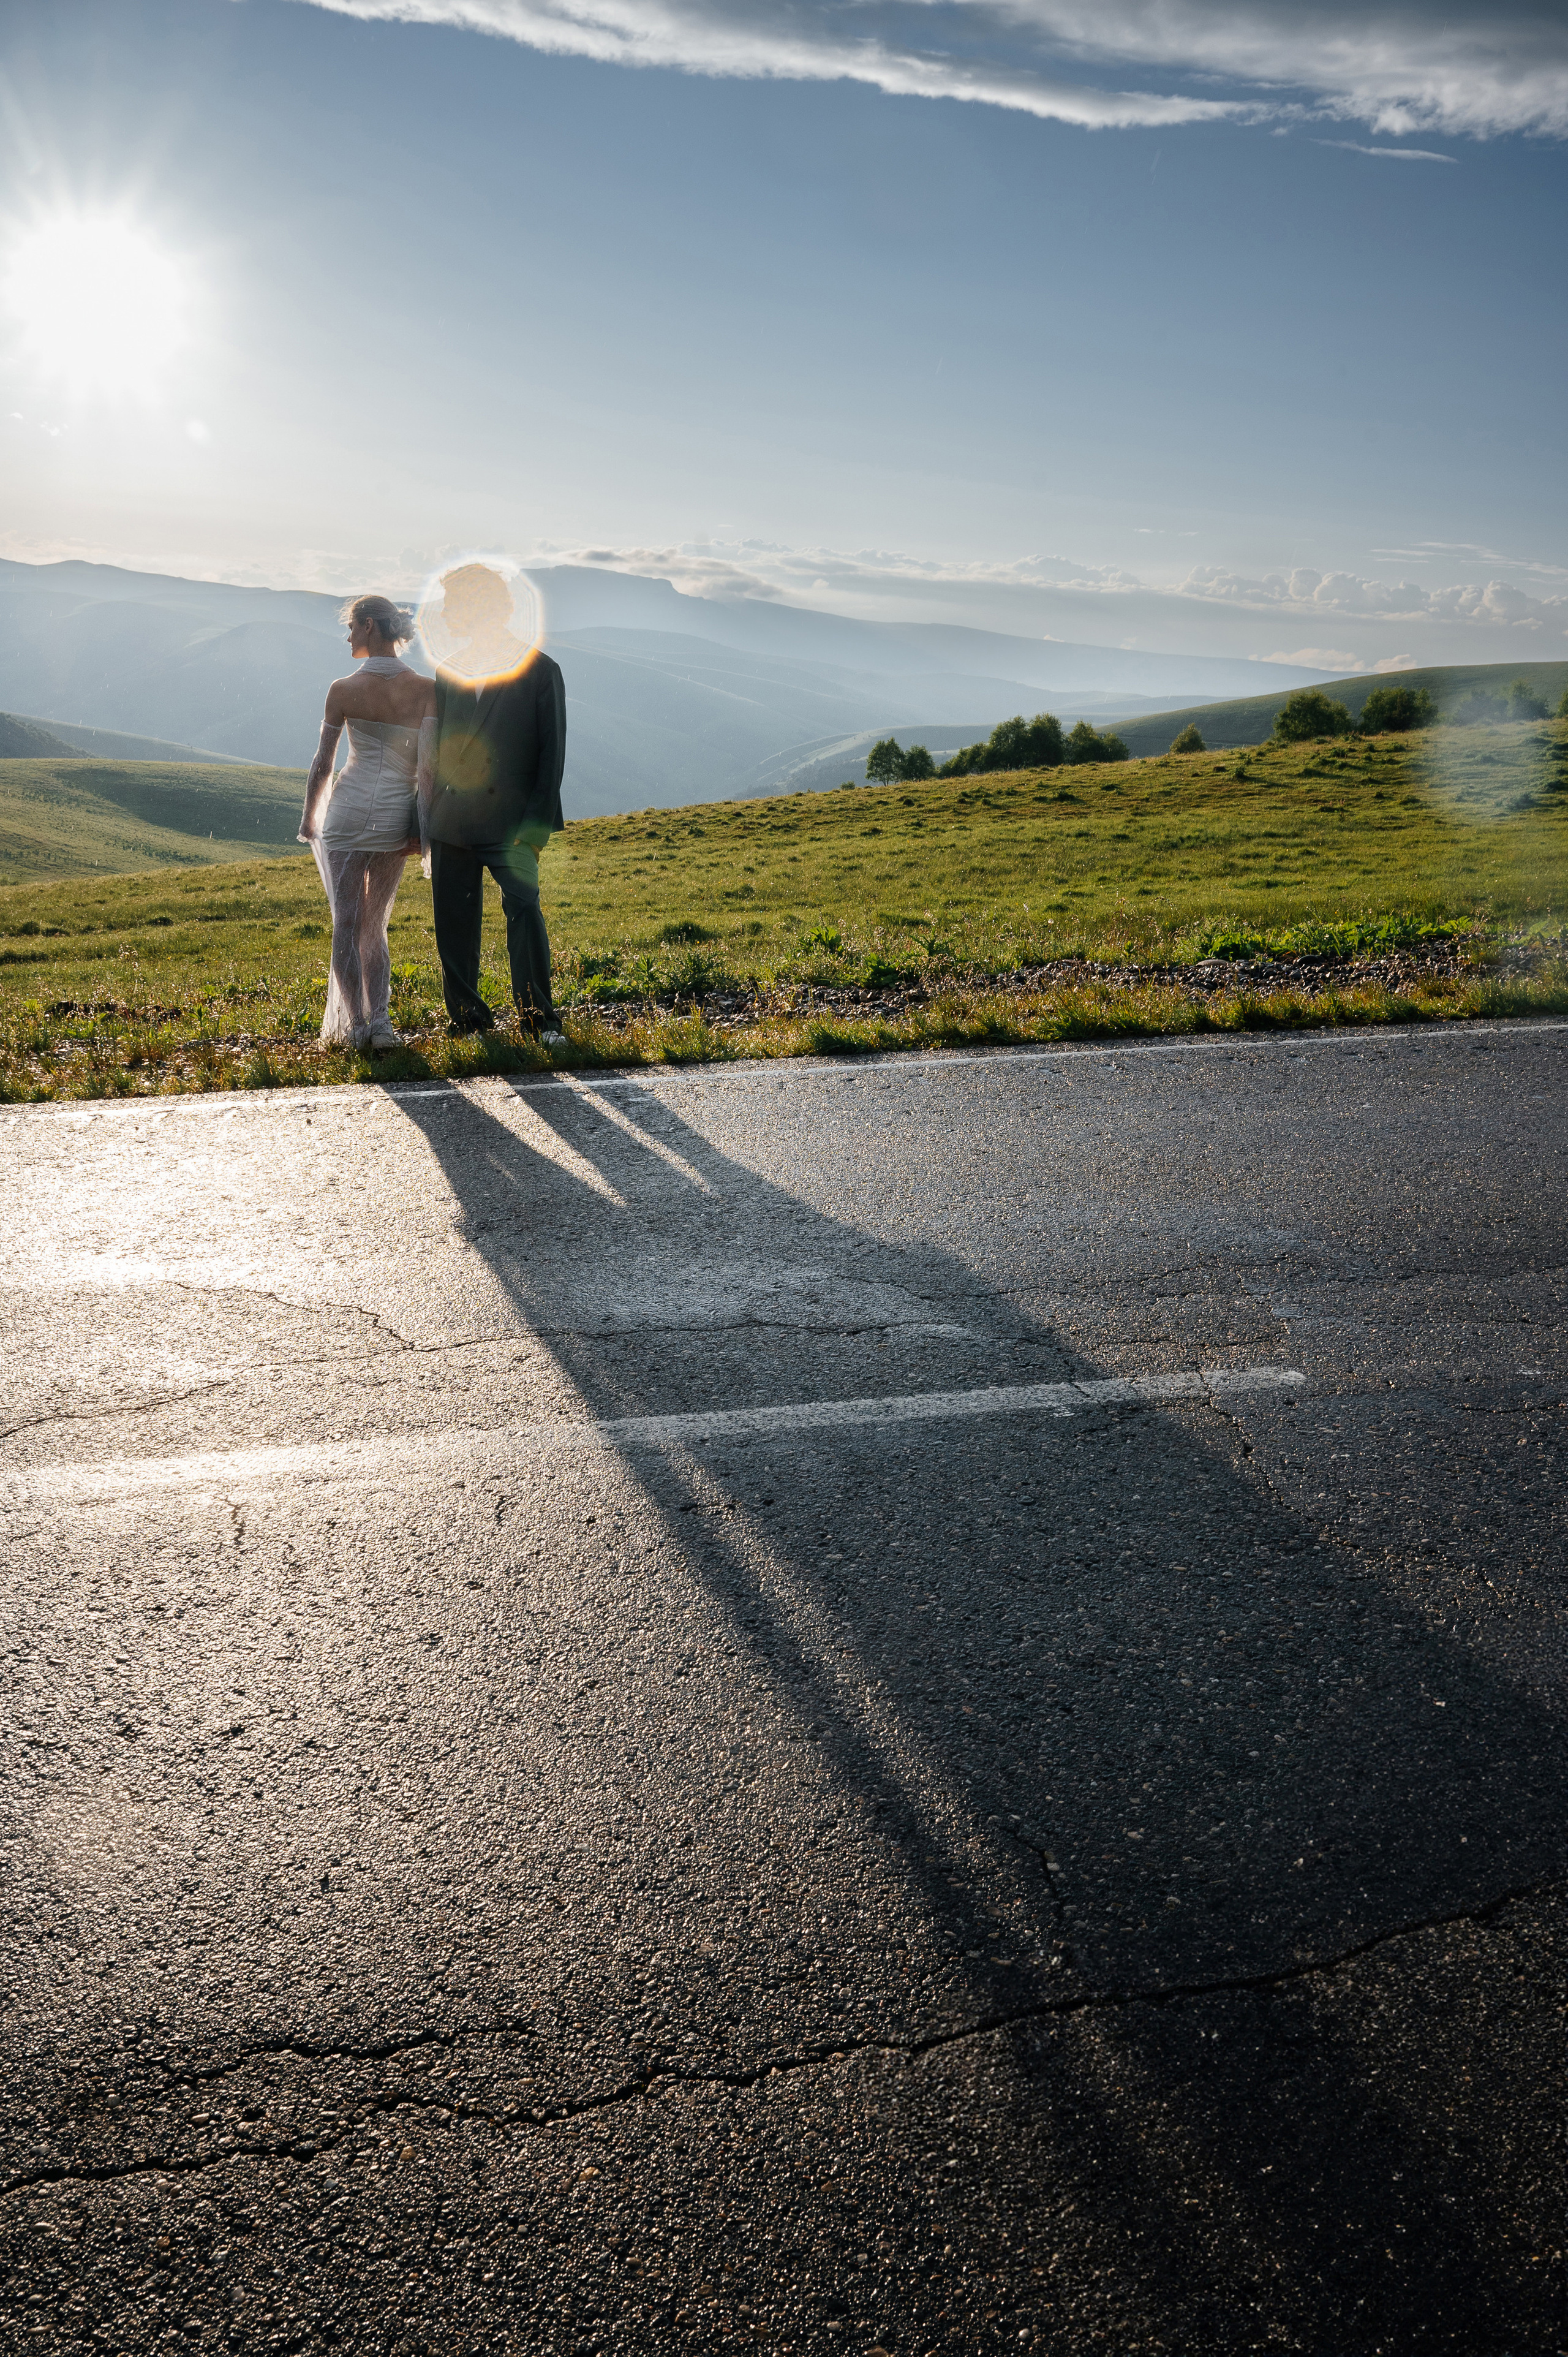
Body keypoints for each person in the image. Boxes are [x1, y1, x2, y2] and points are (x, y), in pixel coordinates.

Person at [420, 562, 567, 1043]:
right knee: (454, 928)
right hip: (453, 823)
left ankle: (537, 1019)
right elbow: (443, 748)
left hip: (513, 827)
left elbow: (553, 755)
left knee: (525, 911)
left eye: (452, 605)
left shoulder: (542, 670)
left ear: (478, 604)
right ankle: (468, 1022)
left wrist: (537, 829)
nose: (445, 614)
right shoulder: (448, 671)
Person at [298, 594, 435, 1050]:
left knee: (346, 922)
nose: (349, 634)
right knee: (374, 925)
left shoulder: (341, 689)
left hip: (347, 814)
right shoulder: (425, 689)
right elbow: (430, 770)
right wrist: (425, 831)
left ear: (372, 626)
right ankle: (382, 1025)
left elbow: (323, 763)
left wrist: (308, 819)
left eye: (353, 626)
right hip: (395, 820)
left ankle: (356, 1025)